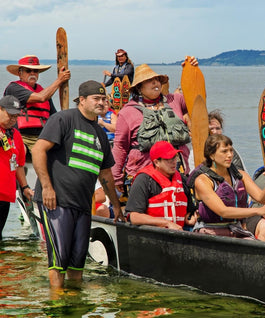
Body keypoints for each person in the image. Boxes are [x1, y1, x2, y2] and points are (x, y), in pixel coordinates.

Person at [31, 80, 123, 288]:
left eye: (104, 99)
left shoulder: (100, 133)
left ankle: (74, 304)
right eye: (96, 99)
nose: (102, 103)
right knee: (59, 259)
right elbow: (38, 150)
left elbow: (106, 174)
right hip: (57, 201)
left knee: (78, 262)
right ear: (82, 100)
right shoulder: (63, 119)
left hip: (82, 205)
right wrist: (46, 187)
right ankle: (55, 301)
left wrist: (116, 206)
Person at [112, 60, 195, 198]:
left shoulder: (175, 100)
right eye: (150, 80)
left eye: (157, 79)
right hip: (144, 176)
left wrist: (191, 71)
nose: (156, 83)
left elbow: (197, 100)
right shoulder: (127, 112)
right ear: (139, 87)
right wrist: (117, 177)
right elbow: (120, 146)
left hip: (179, 174)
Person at [192, 134, 265, 238]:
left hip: (236, 229)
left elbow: (262, 199)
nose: (230, 155)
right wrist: (259, 210)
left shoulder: (241, 175)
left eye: (231, 150)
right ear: (211, 155)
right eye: (224, 151)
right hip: (209, 231)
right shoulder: (202, 181)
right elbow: (223, 211)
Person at [4, 55, 71, 154]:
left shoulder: (44, 91)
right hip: (20, 135)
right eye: (28, 70)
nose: (32, 73)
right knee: (25, 150)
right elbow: (41, 98)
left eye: (35, 71)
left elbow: (54, 116)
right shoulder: (14, 88)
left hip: (42, 136)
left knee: (63, 150)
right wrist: (59, 80)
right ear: (20, 73)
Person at [125, 141, 196, 230]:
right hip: (153, 234)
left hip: (179, 233)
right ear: (156, 162)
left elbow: (190, 211)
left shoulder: (182, 180)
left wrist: (190, 217)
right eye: (168, 159)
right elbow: (133, 216)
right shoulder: (143, 180)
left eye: (174, 157)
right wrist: (166, 223)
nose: (174, 162)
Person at [0, 96, 34, 239]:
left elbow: (19, 165)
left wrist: (25, 187)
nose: (13, 119)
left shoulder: (16, 135)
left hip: (6, 195)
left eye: (16, 116)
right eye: (10, 115)